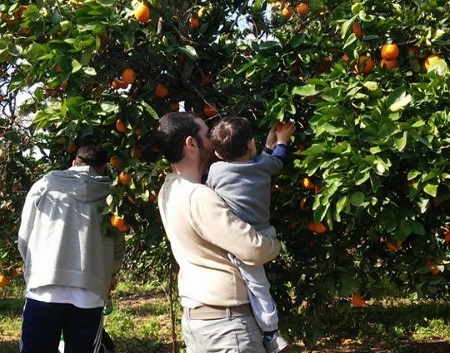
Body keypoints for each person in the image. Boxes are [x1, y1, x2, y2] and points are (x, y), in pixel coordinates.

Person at [155, 111, 281, 353]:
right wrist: (274, 242)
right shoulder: (200, 197)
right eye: (206, 133)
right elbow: (254, 249)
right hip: (226, 327)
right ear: (191, 144)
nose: (213, 140)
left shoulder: (168, 190)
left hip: (200, 321)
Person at [18, 144, 125, 353]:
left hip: (44, 289)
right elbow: (117, 248)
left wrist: (33, 269)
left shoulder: (44, 186)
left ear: (74, 162)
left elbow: (25, 237)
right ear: (103, 168)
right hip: (89, 292)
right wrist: (107, 276)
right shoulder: (111, 197)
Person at [206, 116, 295, 353]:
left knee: (258, 286)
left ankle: (271, 332)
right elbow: (277, 160)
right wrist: (281, 141)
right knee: (259, 285)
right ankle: (271, 331)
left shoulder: (215, 170)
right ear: (251, 145)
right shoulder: (262, 166)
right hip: (265, 234)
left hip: (238, 240)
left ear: (216, 153)